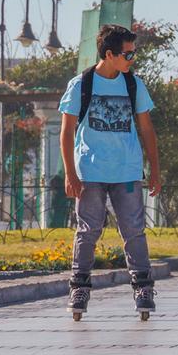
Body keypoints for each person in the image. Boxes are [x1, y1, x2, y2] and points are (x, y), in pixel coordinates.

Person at [59, 24, 162, 319]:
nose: (133, 60)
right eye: (128, 55)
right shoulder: (81, 85)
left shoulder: (133, 85)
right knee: (88, 231)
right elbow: (66, 132)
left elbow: (147, 129)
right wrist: (70, 173)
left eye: (133, 53)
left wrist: (155, 170)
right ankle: (79, 287)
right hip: (90, 171)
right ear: (109, 54)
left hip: (127, 172)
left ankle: (143, 287)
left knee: (134, 231)